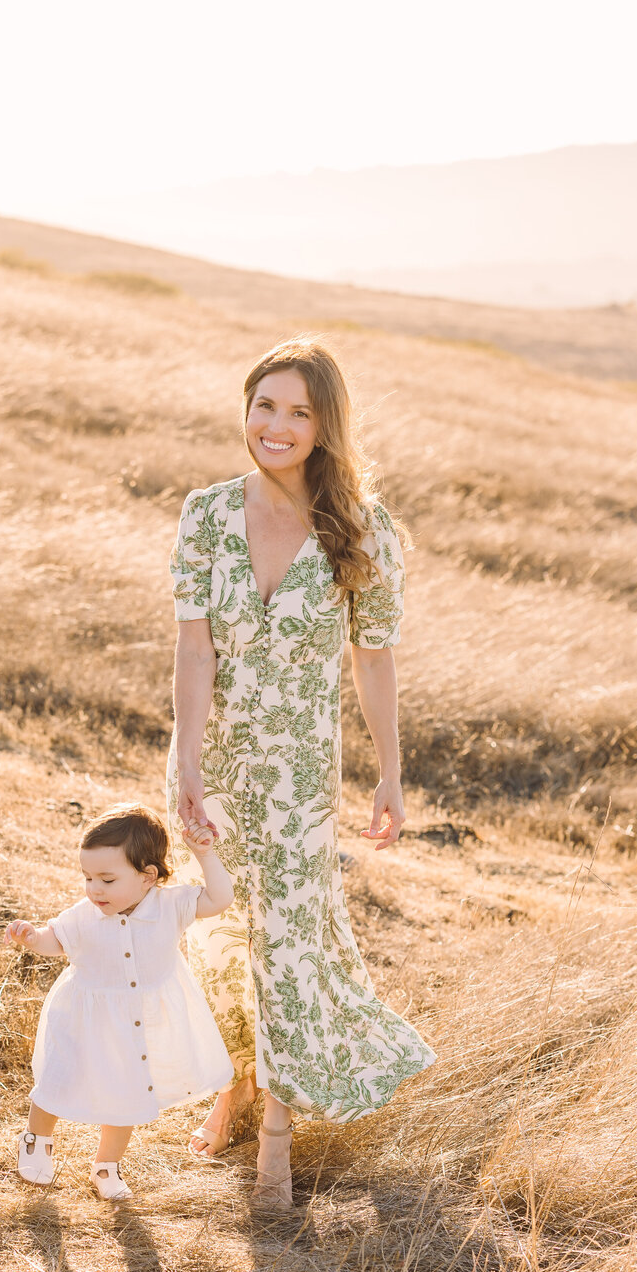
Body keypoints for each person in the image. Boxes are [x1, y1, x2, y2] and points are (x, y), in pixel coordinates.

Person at [169, 337, 436, 1210]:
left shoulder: (362, 527)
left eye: (298, 412)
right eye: (264, 406)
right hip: (215, 760)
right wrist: (188, 764)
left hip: (297, 775)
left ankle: (276, 1136)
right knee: (218, 924)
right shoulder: (207, 513)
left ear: (326, 426)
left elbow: (375, 658)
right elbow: (193, 647)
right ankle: (238, 1080)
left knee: (287, 937)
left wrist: (391, 772)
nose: (275, 426)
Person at [6, 803, 235, 1200]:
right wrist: (31, 937)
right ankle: (36, 1141)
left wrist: (205, 853)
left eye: (107, 879)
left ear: (148, 877)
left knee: (128, 1092)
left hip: (135, 1023)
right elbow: (53, 942)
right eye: (88, 877)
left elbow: (220, 898)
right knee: (57, 1081)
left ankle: (106, 1166)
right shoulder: (84, 915)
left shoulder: (171, 905)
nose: (94, 889)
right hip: (82, 1018)